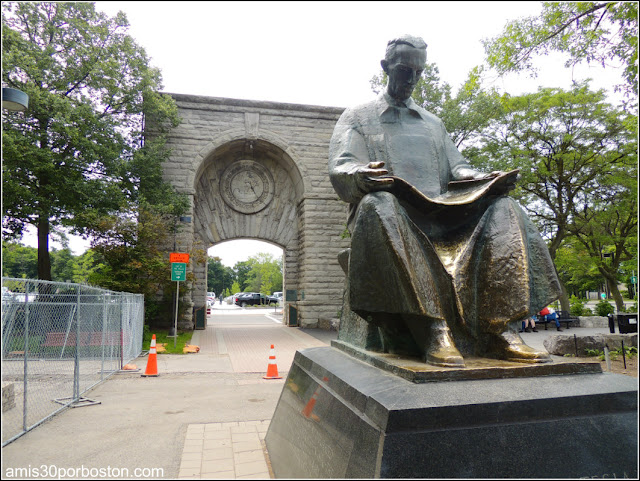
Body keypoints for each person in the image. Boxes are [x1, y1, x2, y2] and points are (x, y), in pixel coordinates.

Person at [329, 35, 561, 367]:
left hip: (443, 217)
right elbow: (341, 167)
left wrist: (482, 180)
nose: (410, 79)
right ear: (385, 68)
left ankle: (498, 330)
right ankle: (432, 330)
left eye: (417, 72)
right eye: (403, 70)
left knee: (504, 208)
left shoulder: (432, 124)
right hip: (393, 218)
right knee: (378, 203)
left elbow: (459, 167)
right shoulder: (358, 117)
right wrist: (359, 175)